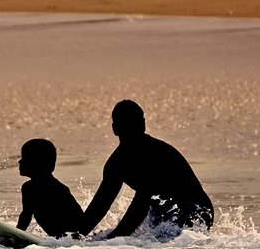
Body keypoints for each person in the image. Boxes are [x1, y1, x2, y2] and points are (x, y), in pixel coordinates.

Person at [81, 100, 213, 238]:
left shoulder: (157, 153)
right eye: (128, 125)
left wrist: (113, 238)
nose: (132, 131)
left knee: (158, 240)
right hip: (166, 213)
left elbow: (140, 204)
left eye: (133, 124)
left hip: (198, 211)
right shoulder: (115, 164)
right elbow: (100, 206)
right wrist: (76, 237)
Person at [16, 139, 83, 238]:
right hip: (63, 242)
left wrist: (15, 237)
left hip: (72, 240)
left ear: (37, 163)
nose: (19, 161)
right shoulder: (29, 188)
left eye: (24, 157)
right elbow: (26, 216)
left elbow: (25, 217)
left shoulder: (58, 190)